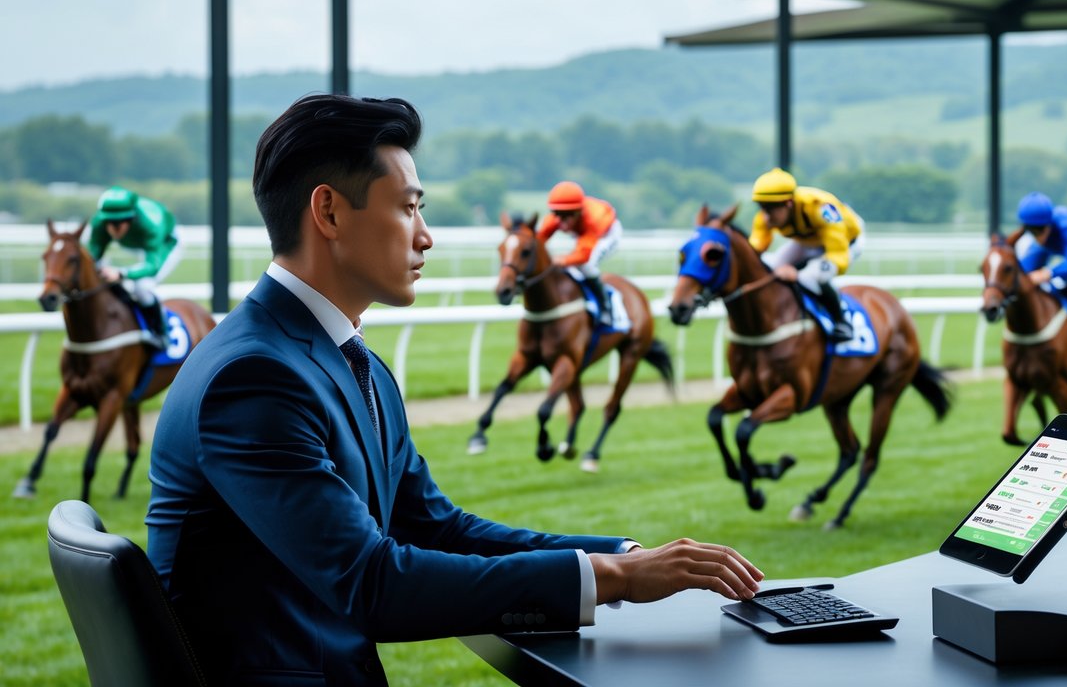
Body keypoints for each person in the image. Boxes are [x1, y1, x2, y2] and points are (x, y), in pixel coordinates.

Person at [145, 94, 762, 686]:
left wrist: (627, 556)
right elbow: (374, 585)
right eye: (409, 208)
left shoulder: (344, 360)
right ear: (329, 212)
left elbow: (435, 528)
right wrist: (613, 577)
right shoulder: (253, 378)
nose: (426, 236)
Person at [747, 167, 863, 343]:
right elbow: (755, 250)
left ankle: (842, 322)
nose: (766, 215)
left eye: (771, 208)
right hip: (807, 241)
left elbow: (837, 252)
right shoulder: (765, 217)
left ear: (789, 203)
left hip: (845, 242)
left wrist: (798, 274)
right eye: (762, 207)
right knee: (771, 269)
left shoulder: (821, 208)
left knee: (813, 277)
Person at [86, 185, 182, 350]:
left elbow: (153, 267)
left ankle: (160, 333)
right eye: (109, 222)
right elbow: (92, 257)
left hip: (165, 244)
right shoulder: (99, 224)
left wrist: (122, 273)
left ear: (132, 218)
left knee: (142, 286)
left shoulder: (152, 225)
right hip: (134, 242)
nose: (114, 228)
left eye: (120, 222)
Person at [537, 180, 622, 327]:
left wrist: (562, 260)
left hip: (607, 235)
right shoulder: (557, 218)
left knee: (586, 266)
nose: (560, 221)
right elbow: (538, 241)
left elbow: (583, 255)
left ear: (579, 212)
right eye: (556, 214)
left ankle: (606, 308)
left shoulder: (593, 220)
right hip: (582, 233)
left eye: (566, 215)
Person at [1015, 191, 1067, 336]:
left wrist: (1046, 273)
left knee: (1062, 277)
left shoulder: (1066, 225)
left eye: (1039, 230)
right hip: (1048, 247)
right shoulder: (1039, 234)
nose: (1036, 236)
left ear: (1049, 224)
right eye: (1030, 231)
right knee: (1023, 273)